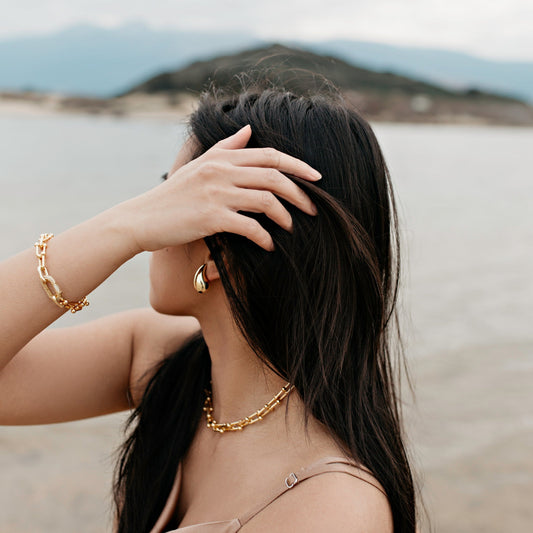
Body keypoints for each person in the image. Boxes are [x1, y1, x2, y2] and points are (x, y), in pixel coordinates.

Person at [0, 84, 416, 532]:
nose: (153, 215)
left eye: (172, 195)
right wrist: (121, 227)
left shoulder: (333, 510)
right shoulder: (170, 365)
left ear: (219, 250)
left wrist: (129, 225)